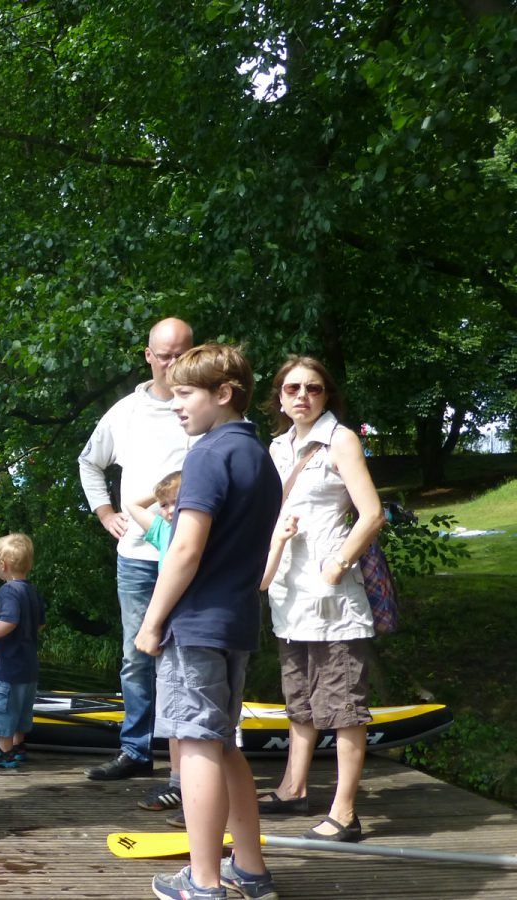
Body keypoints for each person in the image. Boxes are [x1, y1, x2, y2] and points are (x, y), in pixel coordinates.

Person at [133, 344, 281, 900]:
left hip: (196, 623)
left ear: (224, 393)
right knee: (223, 745)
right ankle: (250, 868)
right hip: (237, 623)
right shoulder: (258, 457)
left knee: (195, 744)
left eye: (186, 393)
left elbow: (185, 549)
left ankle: (203, 881)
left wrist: (152, 623)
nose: (176, 405)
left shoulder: (207, 454)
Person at [257, 355, 385, 843]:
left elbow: (371, 514)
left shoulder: (341, 439)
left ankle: (345, 812)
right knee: (300, 700)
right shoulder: (277, 448)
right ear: (280, 397)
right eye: (293, 388)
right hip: (289, 598)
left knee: (343, 704)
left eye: (313, 388)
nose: (302, 396)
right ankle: (293, 788)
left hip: (333, 602)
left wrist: (338, 563)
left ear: (326, 395)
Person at [78, 317, 192, 796]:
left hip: (191, 554)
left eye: (181, 353)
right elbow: (89, 461)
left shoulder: (203, 408)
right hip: (138, 555)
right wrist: (105, 513)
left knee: (186, 658)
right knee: (135, 656)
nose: (172, 363)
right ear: (148, 356)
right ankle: (136, 750)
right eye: (163, 354)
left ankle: (182, 768)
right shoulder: (125, 412)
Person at [124, 471, 185, 812]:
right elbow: (132, 504)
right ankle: (178, 783)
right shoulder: (162, 530)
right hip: (168, 629)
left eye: (176, 502)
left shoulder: (203, 526)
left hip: (193, 626)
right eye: (164, 504)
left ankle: (188, 785)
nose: (168, 510)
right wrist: (160, 495)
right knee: (173, 707)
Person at [0, 533, 47, 770]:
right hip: (27, 666)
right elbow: (40, 623)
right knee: (20, 708)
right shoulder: (32, 591)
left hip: (4, 666)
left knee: (3, 707)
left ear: (3, 565)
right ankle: (18, 747)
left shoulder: (8, 591)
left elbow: (9, 621)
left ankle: (4, 751)